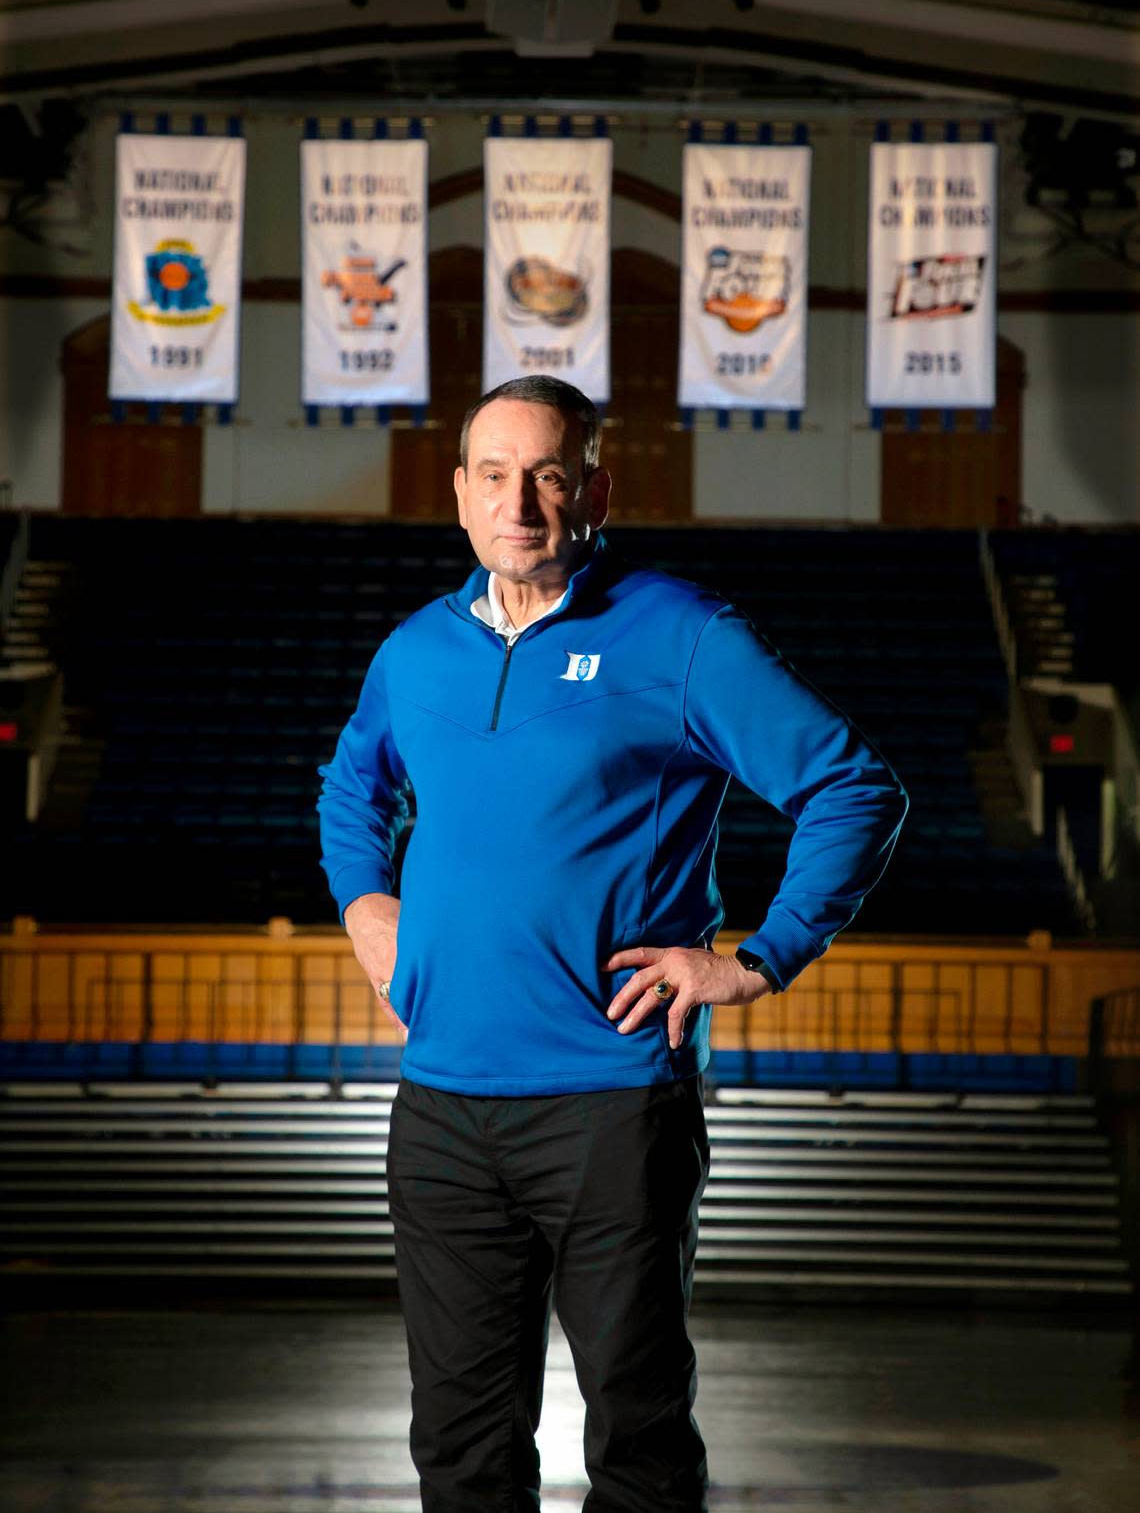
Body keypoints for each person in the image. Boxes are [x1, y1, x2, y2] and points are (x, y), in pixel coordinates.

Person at [317, 375, 907, 1513]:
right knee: (458, 1447)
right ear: (459, 493)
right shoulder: (415, 652)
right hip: (440, 1113)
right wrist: (364, 906)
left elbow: (852, 786)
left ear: (595, 489)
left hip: (610, 1106)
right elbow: (353, 789)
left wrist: (755, 957)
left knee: (635, 1442)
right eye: (494, 475)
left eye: (547, 474)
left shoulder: (678, 634)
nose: (520, 503)